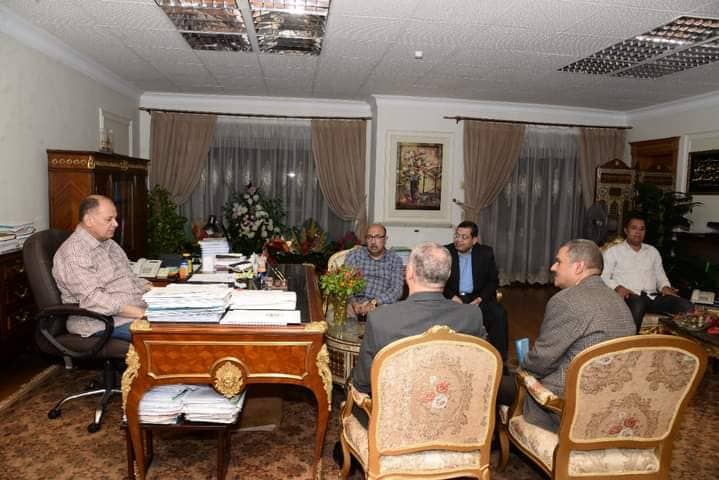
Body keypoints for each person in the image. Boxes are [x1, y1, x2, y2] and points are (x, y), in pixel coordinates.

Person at [351, 241, 487, 424]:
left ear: (409, 273)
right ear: (448, 274)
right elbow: (480, 371)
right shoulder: (472, 315)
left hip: (396, 423)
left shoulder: (381, 318)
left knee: (353, 382)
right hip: (453, 419)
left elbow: (363, 382)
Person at [508, 239, 635, 432]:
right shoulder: (619, 302)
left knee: (496, 384)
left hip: (567, 405)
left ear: (578, 267)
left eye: (558, 262)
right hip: (611, 403)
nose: (552, 267)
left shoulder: (566, 301)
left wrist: (520, 365)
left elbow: (541, 362)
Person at [53, 195, 149, 341]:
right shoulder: (74, 252)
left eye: (115, 218)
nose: (116, 224)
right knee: (173, 335)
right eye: (109, 219)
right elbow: (94, 299)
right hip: (104, 323)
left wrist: (160, 292)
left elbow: (130, 278)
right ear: (89, 220)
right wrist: (143, 314)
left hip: (133, 313)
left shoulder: (109, 243)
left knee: (183, 321)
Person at [602, 214, 692, 331]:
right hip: (630, 297)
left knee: (685, 305)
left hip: (652, 297)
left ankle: (679, 341)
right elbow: (603, 276)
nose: (638, 232)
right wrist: (618, 287)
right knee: (638, 303)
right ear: (626, 230)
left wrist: (665, 287)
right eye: (634, 228)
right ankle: (630, 340)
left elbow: (660, 275)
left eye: (642, 229)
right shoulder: (613, 252)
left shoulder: (652, 251)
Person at [444, 221, 509, 361]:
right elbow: (440, 280)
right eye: (457, 236)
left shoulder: (485, 253)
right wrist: (452, 297)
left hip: (477, 297)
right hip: (453, 297)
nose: (458, 240)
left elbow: (493, 281)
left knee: (499, 314)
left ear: (474, 240)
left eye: (464, 237)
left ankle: (499, 361)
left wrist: (480, 299)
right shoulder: (446, 252)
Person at [344, 223, 404, 317]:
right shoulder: (355, 255)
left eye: (377, 237)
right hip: (354, 305)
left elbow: (396, 290)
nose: (373, 241)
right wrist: (353, 303)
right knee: (337, 311)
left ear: (385, 239)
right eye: (369, 237)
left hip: (380, 305)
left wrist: (374, 303)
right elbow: (344, 284)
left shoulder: (394, 260)